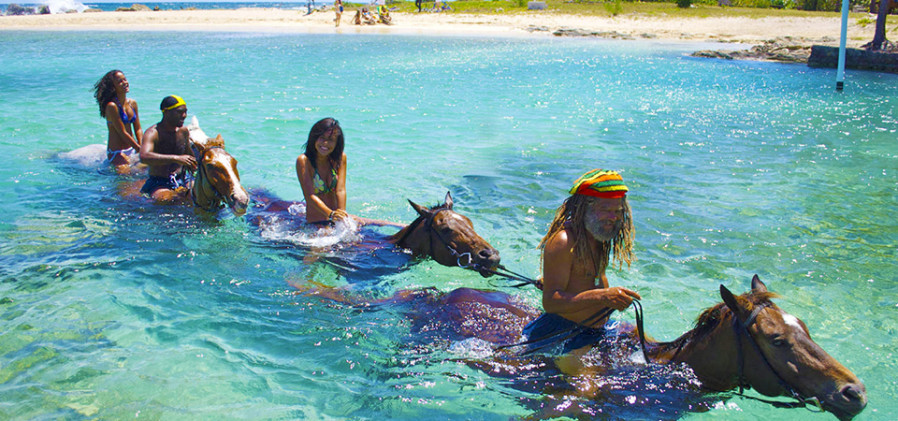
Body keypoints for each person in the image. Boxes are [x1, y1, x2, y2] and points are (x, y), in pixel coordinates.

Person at [522, 169, 640, 360]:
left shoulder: (598, 236)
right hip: (564, 333)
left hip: (595, 329)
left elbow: (592, 280)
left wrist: (610, 300)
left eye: (618, 211)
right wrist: (603, 297)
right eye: (606, 210)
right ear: (585, 208)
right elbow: (551, 303)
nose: (613, 217)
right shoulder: (563, 241)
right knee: (589, 389)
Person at [138, 95, 197, 202]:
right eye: (179, 112)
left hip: (183, 178)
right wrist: (175, 158)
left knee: (202, 196)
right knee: (166, 201)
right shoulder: (153, 133)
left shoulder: (183, 131)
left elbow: (189, 154)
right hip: (159, 182)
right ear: (166, 112)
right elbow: (144, 156)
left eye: (185, 111)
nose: (184, 116)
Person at [296, 118, 349, 225]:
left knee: (381, 223)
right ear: (314, 138)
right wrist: (330, 214)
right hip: (316, 222)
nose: (325, 143)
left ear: (336, 143)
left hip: (335, 217)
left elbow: (340, 190)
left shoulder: (340, 158)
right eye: (322, 138)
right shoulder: (304, 161)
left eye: (331, 140)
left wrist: (341, 214)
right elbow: (310, 196)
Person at [93, 70, 142, 173]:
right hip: (117, 152)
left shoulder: (132, 103)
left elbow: (138, 128)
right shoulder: (112, 106)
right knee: (125, 176)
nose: (125, 83)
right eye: (120, 81)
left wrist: (142, 146)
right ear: (113, 87)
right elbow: (122, 132)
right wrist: (138, 148)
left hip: (132, 148)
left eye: (125, 79)